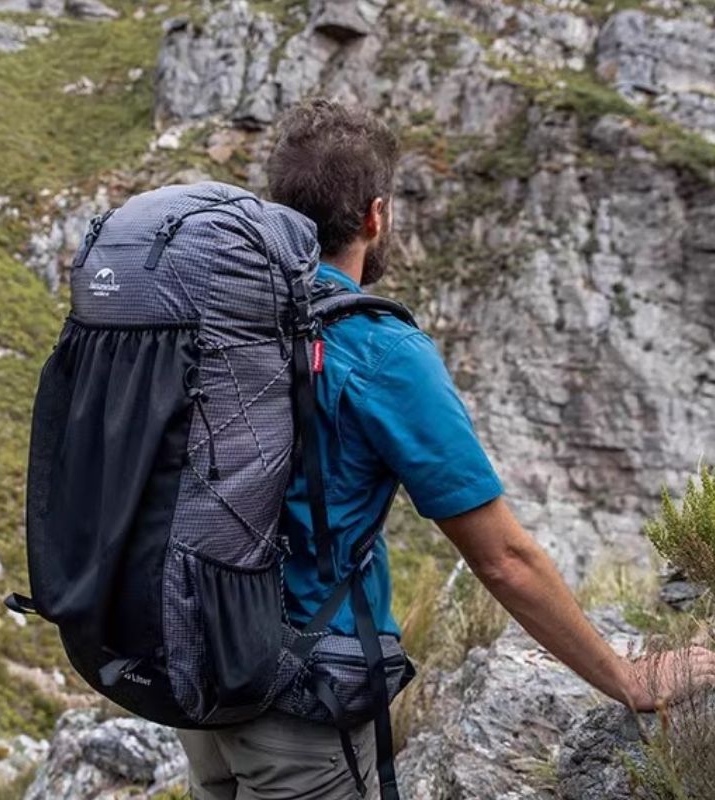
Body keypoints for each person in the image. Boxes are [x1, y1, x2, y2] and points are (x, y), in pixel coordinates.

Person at [178, 98, 715, 800]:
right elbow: (504, 558)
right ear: (376, 215)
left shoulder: (218, 316)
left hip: (197, 677)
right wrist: (626, 676)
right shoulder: (380, 351)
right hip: (299, 704)